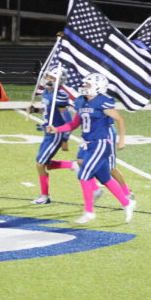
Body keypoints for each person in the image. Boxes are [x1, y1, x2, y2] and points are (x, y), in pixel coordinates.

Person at [46, 73, 135, 224]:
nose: (84, 86)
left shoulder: (102, 101)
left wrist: (121, 140)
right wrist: (57, 129)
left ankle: (89, 212)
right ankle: (127, 203)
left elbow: (120, 119)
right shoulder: (81, 101)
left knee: (84, 174)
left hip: (101, 143)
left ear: (97, 86)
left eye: (88, 84)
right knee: (105, 178)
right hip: (88, 144)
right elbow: (74, 124)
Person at [28, 67, 75, 205]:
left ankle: (44, 196)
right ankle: (73, 165)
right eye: (48, 76)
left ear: (59, 80)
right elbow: (47, 110)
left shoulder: (59, 95)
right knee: (46, 163)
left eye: (52, 78)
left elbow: (68, 119)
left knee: (40, 164)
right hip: (47, 132)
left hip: (56, 133)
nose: (48, 79)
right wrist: (35, 109)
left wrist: (65, 139)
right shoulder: (46, 92)